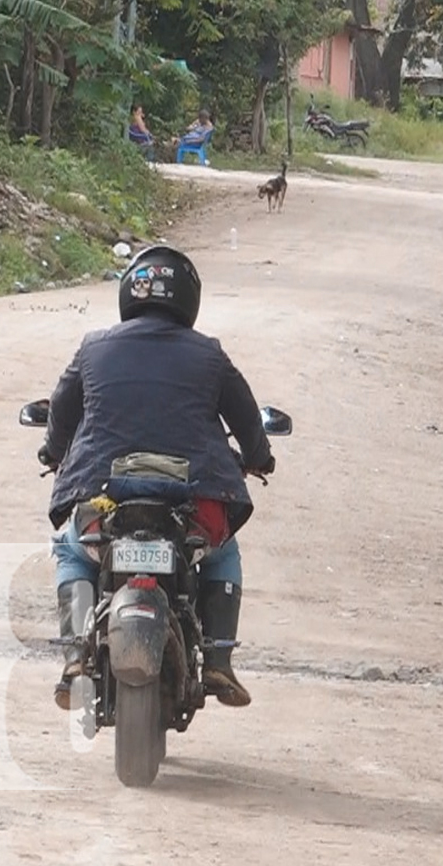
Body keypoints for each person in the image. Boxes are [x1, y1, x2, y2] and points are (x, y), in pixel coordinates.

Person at [36, 244, 275, 711]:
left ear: (129, 293)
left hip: (104, 493)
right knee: (222, 553)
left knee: (72, 550)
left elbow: (62, 413)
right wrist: (259, 458)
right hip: (194, 497)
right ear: (189, 298)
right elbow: (246, 418)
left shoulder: (93, 348)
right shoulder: (209, 354)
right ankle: (220, 662)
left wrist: (51, 452)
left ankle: (73, 657)